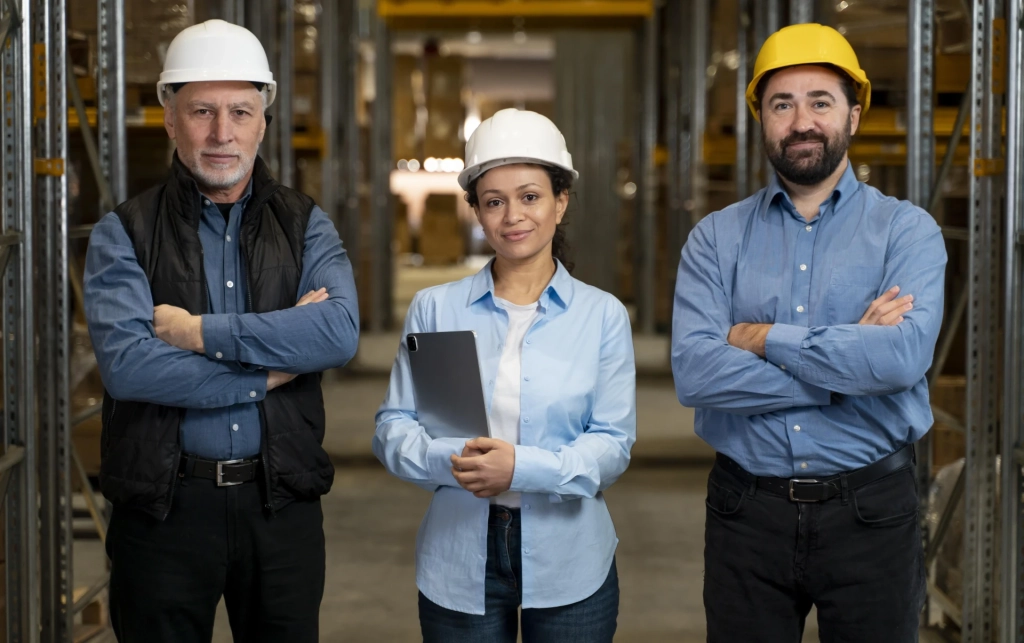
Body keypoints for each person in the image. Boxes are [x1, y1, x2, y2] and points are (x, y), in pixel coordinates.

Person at [83, 19, 359, 643]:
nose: (221, 133)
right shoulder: (124, 233)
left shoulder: (305, 225)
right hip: (163, 513)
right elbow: (131, 368)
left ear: (264, 120)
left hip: (280, 503)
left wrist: (199, 331)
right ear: (169, 118)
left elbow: (338, 333)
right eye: (201, 110)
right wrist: (268, 370)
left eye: (240, 111)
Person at [671, 23, 947, 643]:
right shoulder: (716, 238)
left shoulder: (907, 232)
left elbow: (901, 359)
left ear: (853, 113)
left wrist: (765, 338)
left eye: (820, 102)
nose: (802, 121)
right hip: (747, 512)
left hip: (872, 512)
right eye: (781, 104)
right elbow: (695, 371)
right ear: (761, 120)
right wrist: (849, 364)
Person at [373, 108, 636, 643]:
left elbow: (611, 445)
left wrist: (520, 470)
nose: (513, 215)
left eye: (531, 196)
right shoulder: (435, 309)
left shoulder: (601, 315)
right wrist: (453, 462)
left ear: (561, 202)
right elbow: (392, 427)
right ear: (476, 211)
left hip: (571, 560)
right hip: (457, 557)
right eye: (494, 201)